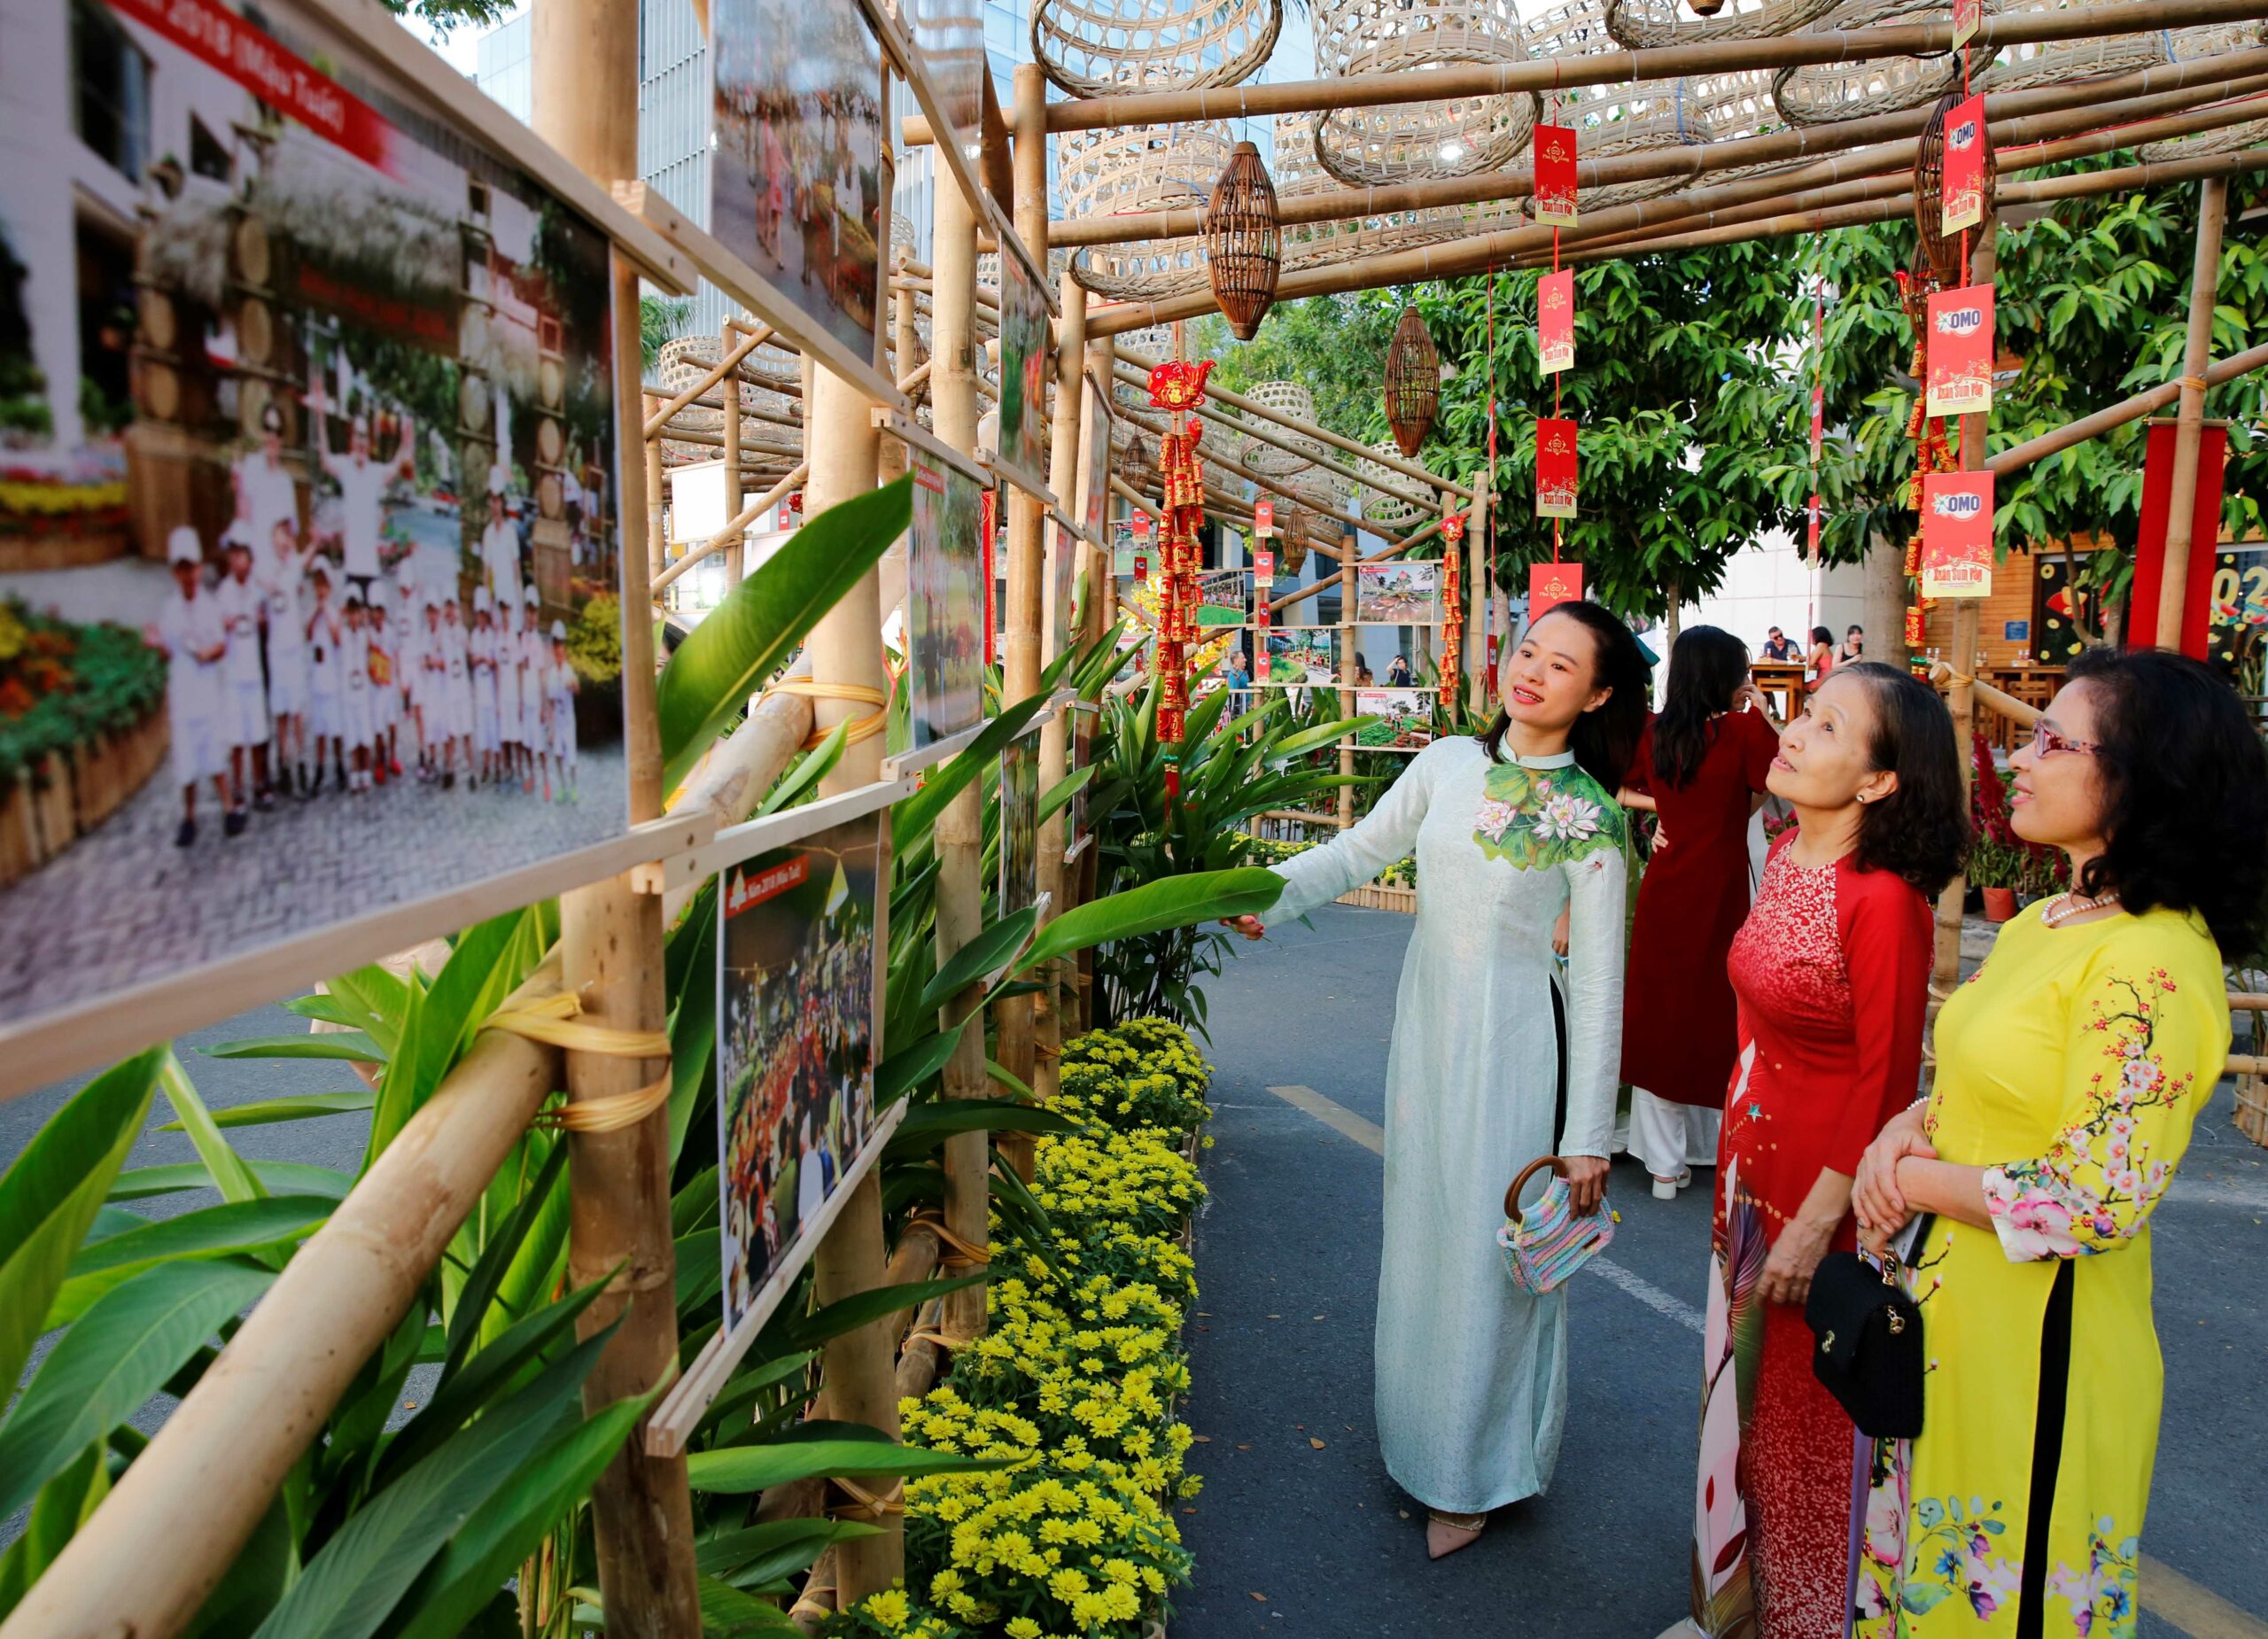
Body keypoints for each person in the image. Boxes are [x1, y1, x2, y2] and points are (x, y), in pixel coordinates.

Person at [1848, 649, 2267, 1637]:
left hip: (2041, 1342)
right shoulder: (2049, 917)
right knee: (1925, 1583)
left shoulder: (2154, 963)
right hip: (1949, 1317)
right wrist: (1904, 1126)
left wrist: (1903, 1171)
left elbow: (2091, 1199)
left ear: (2140, 775)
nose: (2019, 757)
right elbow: (1969, 1074)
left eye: (2050, 738)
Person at [1221, 602, 1650, 1560]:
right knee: (1421, 1234)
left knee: (1488, 1256)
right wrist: (1266, 897)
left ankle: (1474, 1471)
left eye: (1562, 663)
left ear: (1599, 694)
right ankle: (1415, 1435)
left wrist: (1587, 1134)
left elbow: (1598, 985)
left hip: (1517, 1052)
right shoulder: (1447, 761)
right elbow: (1354, 852)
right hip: (1426, 1038)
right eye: (1528, 648)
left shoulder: (1589, 820)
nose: (1531, 670)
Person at [1688, 662, 1966, 1639]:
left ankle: (1809, 1619)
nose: (1794, 733)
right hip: (1745, 1165)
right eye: (1801, 712)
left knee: (1809, 1424)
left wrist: (1816, 1225)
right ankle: (1737, 1600)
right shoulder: (1784, 850)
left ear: (1878, 781)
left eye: (1827, 725)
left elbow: (1888, 1084)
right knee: (1743, 1397)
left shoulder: (1885, 900)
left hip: (1823, 1195)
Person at [1616, 626, 1779, 1199]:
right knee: (1717, 1013)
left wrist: (1661, 806)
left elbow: (1616, 788)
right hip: (1722, 891)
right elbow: (1777, 783)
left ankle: (1663, 1165)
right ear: (1723, 675)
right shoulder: (1740, 731)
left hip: (1667, 889)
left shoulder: (1657, 731)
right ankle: (1714, 1148)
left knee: (1661, 1015)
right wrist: (1765, 715)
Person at [148, 526, 229, 847]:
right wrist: (156, 644)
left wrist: (207, 653)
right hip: (183, 697)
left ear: (199, 568)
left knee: (214, 756)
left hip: (207, 695)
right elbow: (169, 649)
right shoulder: (169, 610)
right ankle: (189, 817)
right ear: (174, 572)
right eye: (180, 568)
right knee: (186, 763)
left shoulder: (209, 606)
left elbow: (221, 646)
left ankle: (228, 806)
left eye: (191, 567)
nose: (187, 575)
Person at [310, 372, 412, 602]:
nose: (361, 441)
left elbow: (395, 467)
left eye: (365, 436)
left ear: (369, 441)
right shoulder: (345, 468)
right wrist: (319, 416)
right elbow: (325, 459)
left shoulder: (375, 473)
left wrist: (404, 443)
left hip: (372, 570)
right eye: (357, 435)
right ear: (351, 439)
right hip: (351, 568)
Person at [214, 523, 271, 822]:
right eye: (234, 555)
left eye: (243, 555)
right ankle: (238, 789)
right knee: (236, 738)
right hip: (234, 676)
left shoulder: (257, 592)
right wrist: (225, 624)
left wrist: (262, 623)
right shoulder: (223, 592)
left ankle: (261, 785)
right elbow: (217, 631)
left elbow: (265, 625)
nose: (239, 561)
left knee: (258, 734)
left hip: (254, 673)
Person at [259, 518, 310, 799]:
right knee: (280, 710)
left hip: (294, 649)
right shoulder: (266, 571)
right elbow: (263, 588)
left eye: (286, 538)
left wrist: (314, 542)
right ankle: (284, 764)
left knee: (297, 710)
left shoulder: (294, 569)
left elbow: (306, 560)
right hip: (276, 651)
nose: (282, 543)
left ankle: (301, 762)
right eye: (278, 538)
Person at [303, 557, 343, 795]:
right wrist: (315, 611)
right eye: (316, 584)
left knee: (335, 725)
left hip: (332, 674)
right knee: (319, 728)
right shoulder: (313, 612)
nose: (320, 589)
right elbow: (307, 633)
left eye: (323, 584)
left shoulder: (333, 612)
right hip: (317, 675)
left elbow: (337, 636)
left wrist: (325, 610)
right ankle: (318, 767)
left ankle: (338, 765)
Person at [479, 464, 524, 615]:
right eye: (492, 500)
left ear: (503, 502)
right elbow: (487, 571)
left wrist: (520, 601)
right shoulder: (488, 534)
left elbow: (516, 571)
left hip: (511, 600)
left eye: (498, 500)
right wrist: (487, 600)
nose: (495, 505)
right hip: (495, 600)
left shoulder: (510, 533)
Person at [1804, 625, 1836, 692]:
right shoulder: (1823, 645)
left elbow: (1811, 662)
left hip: (1824, 679)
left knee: (1799, 686)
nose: (1811, 638)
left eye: (1812, 636)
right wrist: (1799, 657)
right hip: (1827, 677)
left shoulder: (1821, 645)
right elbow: (1808, 657)